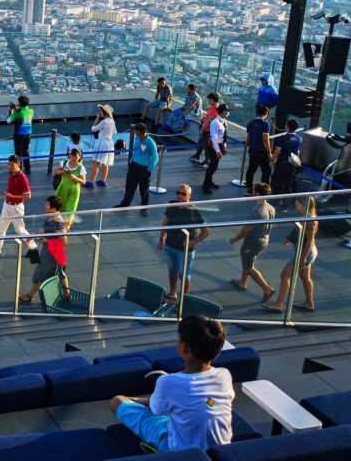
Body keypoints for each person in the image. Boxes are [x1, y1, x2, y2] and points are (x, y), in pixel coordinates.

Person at [110, 315, 234, 454]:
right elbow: (207, 403)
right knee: (198, 404)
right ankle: (169, 399)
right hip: (221, 451)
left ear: (184, 348)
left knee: (117, 401)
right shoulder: (225, 375)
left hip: (179, 451)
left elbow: (155, 410)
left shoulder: (168, 382)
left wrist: (134, 399)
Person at [263, 196, 318, 312]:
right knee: (305, 277)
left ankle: (278, 304)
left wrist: (302, 258)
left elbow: (310, 241)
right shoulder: (304, 216)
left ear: (303, 204)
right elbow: (297, 229)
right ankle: (309, 303)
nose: (295, 203)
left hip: (304, 253)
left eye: (297, 202)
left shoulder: (310, 221)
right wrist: (288, 239)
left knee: (285, 275)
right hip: (303, 251)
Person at [158, 185, 210, 301]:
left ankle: (184, 301)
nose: (180, 196)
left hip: (185, 251)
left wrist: (193, 242)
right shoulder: (172, 205)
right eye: (178, 193)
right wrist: (161, 239)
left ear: (189, 196)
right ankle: (172, 293)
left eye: (183, 194)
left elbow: (206, 231)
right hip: (170, 245)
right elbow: (165, 223)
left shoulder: (193, 210)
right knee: (172, 271)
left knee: (184, 275)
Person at [228, 183, 276, 303]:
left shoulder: (257, 211)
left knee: (249, 266)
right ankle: (242, 282)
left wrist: (235, 239)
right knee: (248, 261)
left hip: (252, 242)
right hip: (264, 240)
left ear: (257, 194)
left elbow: (247, 228)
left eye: (254, 191)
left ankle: (267, 289)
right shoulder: (270, 208)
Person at [18, 196, 69, 304]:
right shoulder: (51, 217)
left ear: (54, 208)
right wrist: (32, 237)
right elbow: (43, 230)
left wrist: (47, 241)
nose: (45, 206)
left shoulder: (58, 222)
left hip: (51, 253)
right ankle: (67, 294)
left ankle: (30, 296)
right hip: (51, 251)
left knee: (41, 273)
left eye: (47, 204)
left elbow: (64, 241)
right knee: (60, 273)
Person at [0, 155, 36, 257]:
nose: (10, 167)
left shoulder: (22, 178)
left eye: (12, 165)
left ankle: (33, 248)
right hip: (7, 205)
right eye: (8, 164)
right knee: (0, 228)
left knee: (20, 230)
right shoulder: (12, 174)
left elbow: (28, 195)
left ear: (18, 164)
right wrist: (8, 195)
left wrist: (12, 196)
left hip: (16, 207)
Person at [115, 123, 158, 215]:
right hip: (134, 166)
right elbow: (136, 150)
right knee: (129, 187)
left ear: (139, 131)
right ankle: (125, 204)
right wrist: (131, 161)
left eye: (135, 130)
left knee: (144, 190)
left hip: (144, 169)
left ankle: (144, 208)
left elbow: (155, 158)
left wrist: (149, 170)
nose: (134, 132)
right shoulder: (137, 138)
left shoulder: (150, 143)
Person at [86, 104, 117, 188]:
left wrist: (97, 119)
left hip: (102, 143)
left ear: (104, 112)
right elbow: (114, 132)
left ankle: (91, 182)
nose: (99, 112)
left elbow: (93, 129)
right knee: (105, 163)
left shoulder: (104, 121)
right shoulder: (112, 121)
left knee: (96, 163)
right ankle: (103, 180)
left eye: (101, 111)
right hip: (109, 143)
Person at [202, 103, 230, 195]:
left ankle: (209, 181)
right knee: (212, 166)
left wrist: (224, 146)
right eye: (227, 111)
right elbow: (213, 137)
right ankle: (205, 185)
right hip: (214, 146)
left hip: (220, 145)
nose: (228, 113)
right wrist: (218, 151)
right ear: (222, 112)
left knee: (214, 166)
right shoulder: (215, 122)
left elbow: (224, 135)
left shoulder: (224, 121)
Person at [244, 104, 273, 193]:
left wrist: (247, 146)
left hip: (252, 150)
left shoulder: (250, 123)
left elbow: (248, 138)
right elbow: (265, 139)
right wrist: (269, 152)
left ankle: (249, 188)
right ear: (266, 113)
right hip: (262, 151)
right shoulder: (265, 124)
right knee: (266, 170)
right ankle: (263, 190)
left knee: (252, 169)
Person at [270, 119, 302, 200]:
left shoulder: (282, 138)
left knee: (277, 183)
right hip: (292, 165)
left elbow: (277, 151)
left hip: (281, 164)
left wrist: (272, 159)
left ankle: (275, 202)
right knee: (287, 185)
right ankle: (285, 206)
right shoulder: (299, 139)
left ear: (287, 126)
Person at [55, 148, 86, 229]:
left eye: (76, 157)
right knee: (61, 205)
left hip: (73, 190)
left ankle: (67, 226)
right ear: (70, 156)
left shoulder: (81, 168)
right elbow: (56, 171)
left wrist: (76, 178)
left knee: (70, 207)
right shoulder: (64, 163)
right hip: (63, 187)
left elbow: (84, 181)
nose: (73, 159)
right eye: (72, 157)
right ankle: (63, 222)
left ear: (79, 157)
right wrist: (62, 171)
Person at [190, 93, 220, 166]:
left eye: (209, 99)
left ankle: (207, 161)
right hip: (208, 130)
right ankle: (197, 156)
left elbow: (209, 121)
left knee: (207, 146)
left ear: (212, 100)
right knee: (201, 142)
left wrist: (202, 129)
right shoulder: (216, 106)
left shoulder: (214, 109)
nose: (208, 101)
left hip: (208, 130)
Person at [8, 95, 34, 175]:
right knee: (26, 151)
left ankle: (18, 169)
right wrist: (17, 109)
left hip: (19, 134)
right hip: (28, 134)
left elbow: (9, 121)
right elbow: (24, 115)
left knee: (18, 153)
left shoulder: (17, 113)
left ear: (19, 103)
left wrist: (11, 110)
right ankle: (28, 169)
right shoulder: (31, 111)